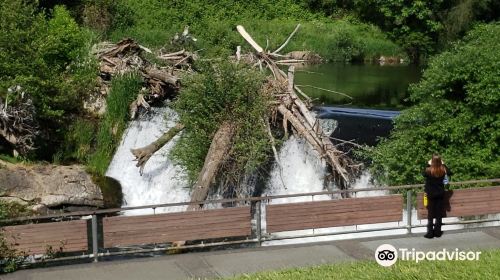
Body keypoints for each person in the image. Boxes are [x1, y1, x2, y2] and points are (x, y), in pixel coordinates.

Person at [423, 154, 452, 239]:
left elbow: (423, 174)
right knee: (439, 213)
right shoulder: (443, 169)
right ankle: (438, 232)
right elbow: (450, 172)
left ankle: (430, 233)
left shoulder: (428, 170)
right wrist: (443, 164)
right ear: (440, 161)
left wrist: (428, 164)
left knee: (430, 213)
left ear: (432, 161)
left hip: (430, 194)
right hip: (440, 194)